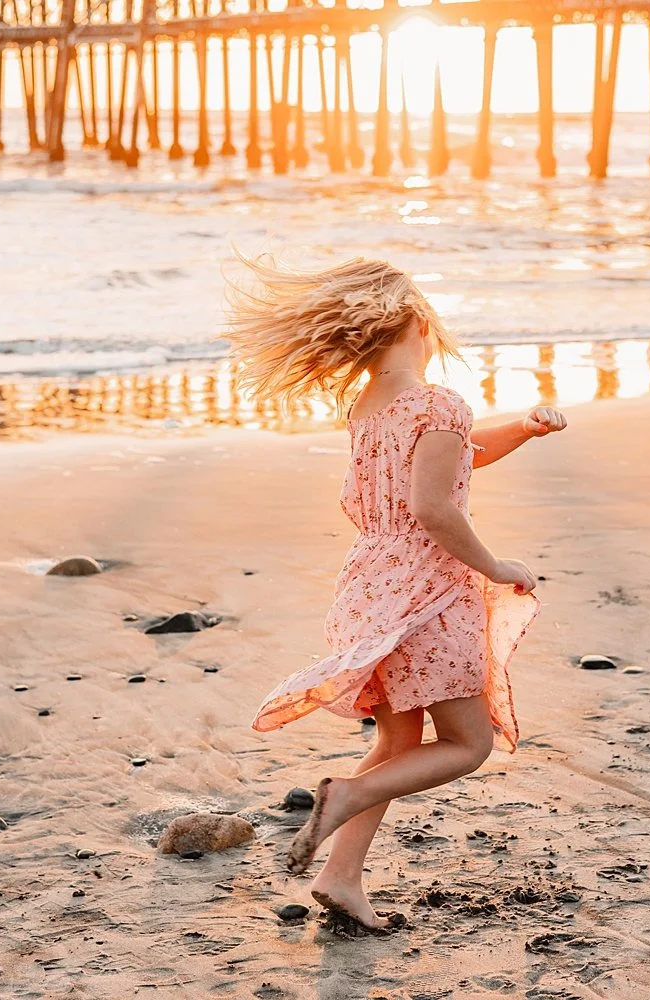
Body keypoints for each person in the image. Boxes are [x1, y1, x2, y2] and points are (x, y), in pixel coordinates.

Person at [225, 254, 567, 933]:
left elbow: (456, 456)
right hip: (427, 591)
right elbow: (435, 508)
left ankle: (341, 877)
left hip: (371, 584)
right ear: (418, 322)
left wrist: (524, 427)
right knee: (467, 745)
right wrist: (496, 565)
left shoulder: (372, 404)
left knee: (397, 742)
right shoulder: (439, 401)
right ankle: (346, 794)